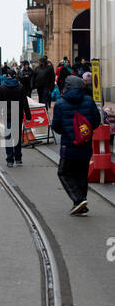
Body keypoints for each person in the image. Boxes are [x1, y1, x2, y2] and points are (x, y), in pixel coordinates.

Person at [52, 76, 101, 216]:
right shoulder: (89, 100)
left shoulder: (60, 104)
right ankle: (81, 205)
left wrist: (68, 132)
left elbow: (56, 126)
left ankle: (78, 200)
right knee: (81, 174)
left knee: (64, 172)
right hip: (85, 145)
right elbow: (96, 122)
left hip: (69, 146)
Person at [0, 71, 32, 167]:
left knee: (8, 137)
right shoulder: (20, 87)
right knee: (17, 137)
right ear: (14, 76)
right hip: (17, 113)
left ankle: (9, 160)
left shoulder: (2, 87)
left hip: (7, 115)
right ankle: (18, 159)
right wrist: (28, 116)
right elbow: (25, 102)